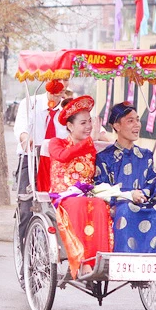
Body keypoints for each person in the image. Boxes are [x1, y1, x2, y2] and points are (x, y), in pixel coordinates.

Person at [48, 96, 112, 279]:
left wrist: (101, 136)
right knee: (78, 204)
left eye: (90, 122)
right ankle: (83, 261)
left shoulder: (91, 145)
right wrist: (89, 142)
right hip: (63, 196)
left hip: (87, 194)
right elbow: (63, 156)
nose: (88, 126)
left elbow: (113, 149)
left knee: (100, 204)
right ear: (70, 126)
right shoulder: (56, 143)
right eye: (83, 123)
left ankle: (100, 260)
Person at [94, 102, 156, 253]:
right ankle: (125, 256)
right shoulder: (104, 157)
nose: (137, 125)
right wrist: (128, 196)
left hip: (143, 201)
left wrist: (142, 195)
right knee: (127, 209)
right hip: (118, 204)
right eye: (130, 121)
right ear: (117, 126)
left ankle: (151, 256)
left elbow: (151, 182)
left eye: (137, 119)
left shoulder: (145, 155)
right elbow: (101, 186)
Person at [13, 80, 69, 255]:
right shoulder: (30, 102)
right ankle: (25, 255)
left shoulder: (69, 107)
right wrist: (24, 137)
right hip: (31, 160)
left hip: (60, 164)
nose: (61, 84)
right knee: (26, 207)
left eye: (65, 80)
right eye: (57, 79)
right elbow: (21, 126)